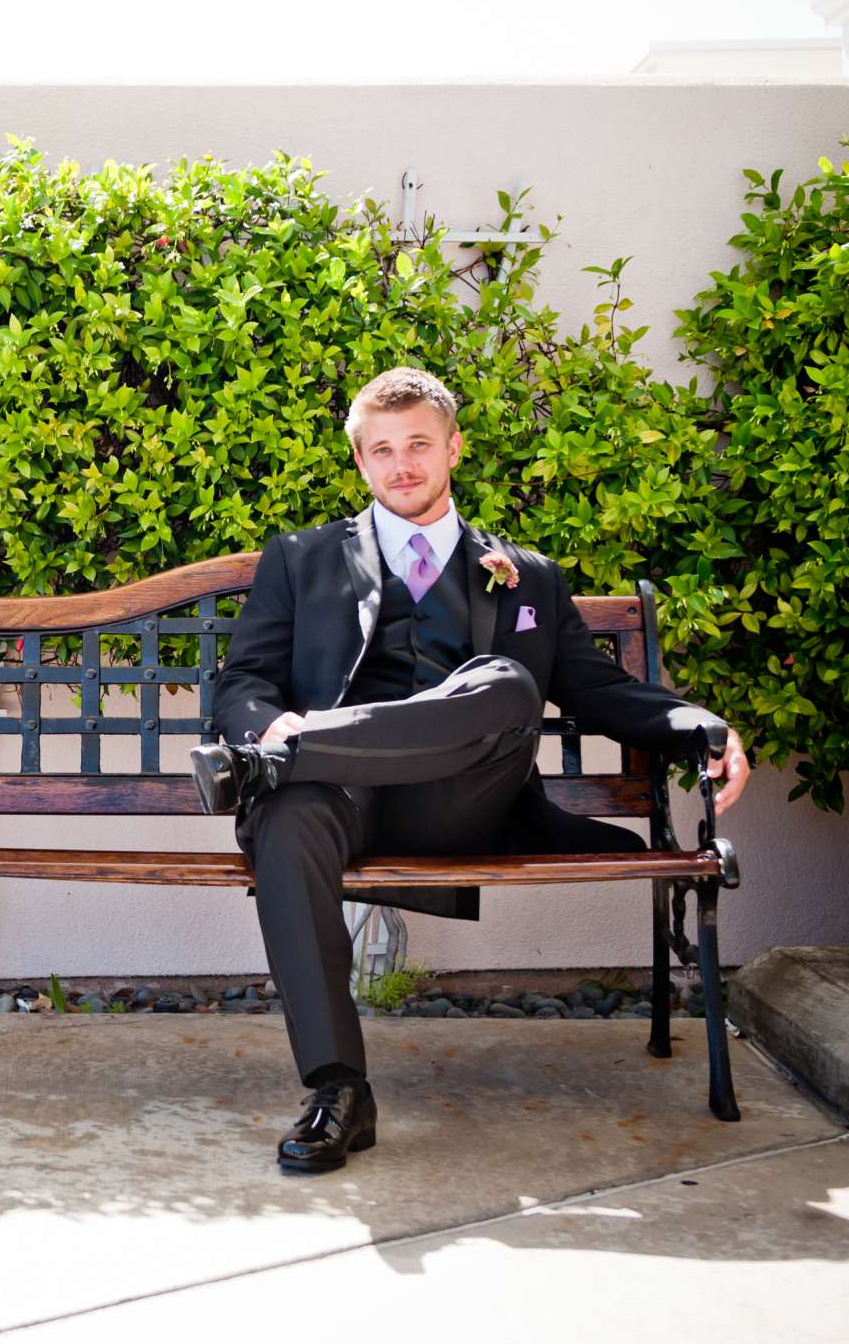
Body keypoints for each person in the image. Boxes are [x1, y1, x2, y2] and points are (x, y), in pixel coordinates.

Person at [188, 365, 750, 1174]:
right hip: (340, 799)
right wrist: (261, 720)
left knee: (506, 684)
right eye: (381, 450)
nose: (402, 464)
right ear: (361, 464)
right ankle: (339, 1089)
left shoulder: (529, 576)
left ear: (453, 447)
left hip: (460, 800)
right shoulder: (301, 560)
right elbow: (243, 682)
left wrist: (706, 730)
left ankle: (282, 759)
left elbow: (600, 692)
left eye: (418, 443)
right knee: (287, 816)